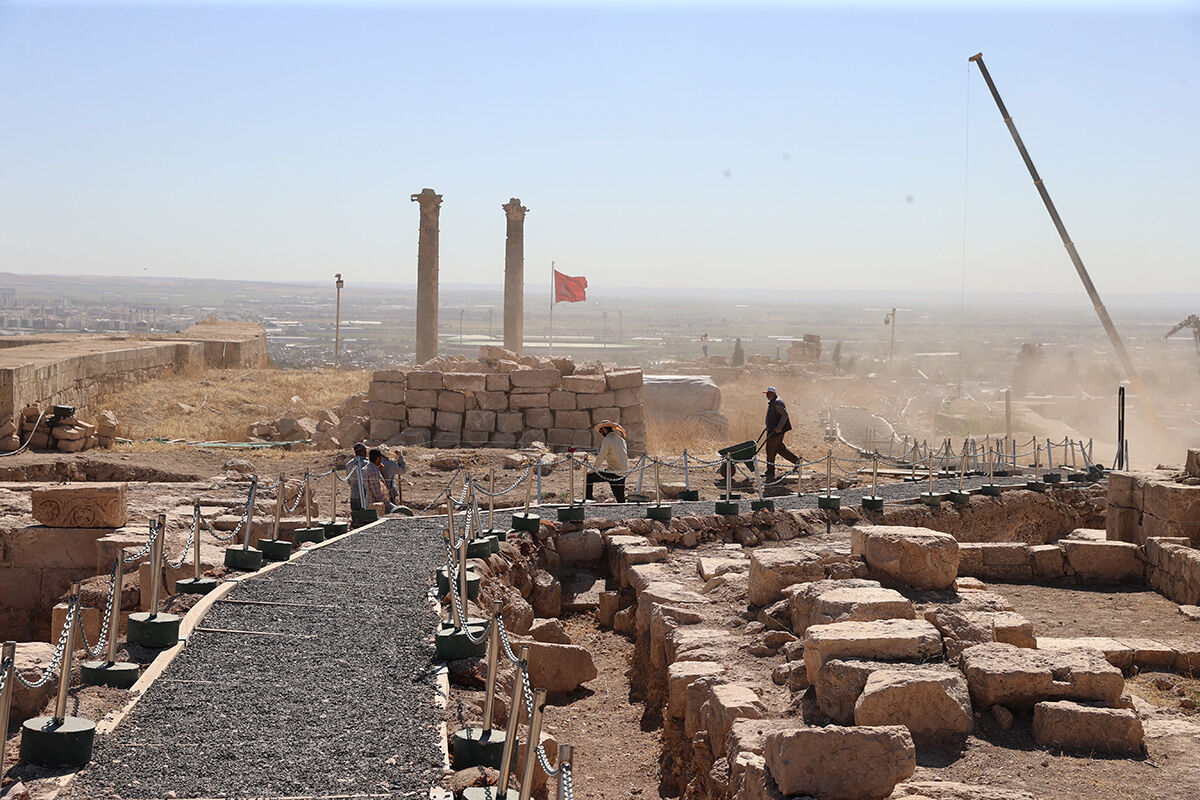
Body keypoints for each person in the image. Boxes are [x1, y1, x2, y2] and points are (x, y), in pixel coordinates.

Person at [762, 386, 800, 480]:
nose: (766, 395)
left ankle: (770, 471)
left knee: (770, 450)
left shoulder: (777, 403)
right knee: (779, 448)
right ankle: (796, 461)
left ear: (772, 394)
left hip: (776, 431)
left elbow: (784, 415)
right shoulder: (773, 402)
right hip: (773, 430)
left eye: (768, 393)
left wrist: (779, 427)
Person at [585, 420, 627, 503]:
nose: (601, 434)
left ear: (604, 430)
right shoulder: (621, 440)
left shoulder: (607, 439)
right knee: (620, 499)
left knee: (589, 478)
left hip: (614, 473)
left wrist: (592, 470)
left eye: (601, 431)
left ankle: (588, 501)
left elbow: (601, 457)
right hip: (623, 472)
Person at [346, 442, 387, 512]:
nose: (366, 452)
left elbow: (349, 481)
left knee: (356, 518)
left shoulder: (348, 464)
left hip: (354, 495)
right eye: (365, 451)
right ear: (362, 452)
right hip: (364, 496)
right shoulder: (367, 464)